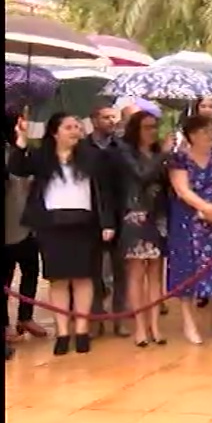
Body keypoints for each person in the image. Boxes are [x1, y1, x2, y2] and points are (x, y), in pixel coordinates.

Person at [8, 112, 117, 356]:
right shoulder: (41, 157)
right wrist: (21, 142)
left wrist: (107, 223)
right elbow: (17, 168)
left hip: (85, 222)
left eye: (77, 127)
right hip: (52, 223)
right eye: (68, 127)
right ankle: (62, 331)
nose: (74, 131)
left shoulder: (93, 157)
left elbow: (105, 193)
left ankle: (81, 329)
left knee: (83, 277)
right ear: (55, 132)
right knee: (58, 279)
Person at [166, 114, 212, 345]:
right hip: (189, 221)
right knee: (189, 271)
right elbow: (182, 190)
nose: (209, 135)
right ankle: (189, 323)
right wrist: (205, 208)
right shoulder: (179, 160)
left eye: (210, 130)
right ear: (192, 135)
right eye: (203, 131)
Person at [117, 111, 171, 347]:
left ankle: (155, 326)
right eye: (147, 127)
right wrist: (164, 155)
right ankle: (140, 327)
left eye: (155, 127)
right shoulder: (125, 151)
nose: (152, 131)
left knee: (156, 274)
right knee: (136, 273)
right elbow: (142, 176)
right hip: (135, 214)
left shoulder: (159, 153)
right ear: (136, 129)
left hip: (158, 215)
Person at [84, 104, 129, 337]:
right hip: (90, 216)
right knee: (93, 270)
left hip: (120, 214)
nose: (111, 121)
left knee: (121, 270)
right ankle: (96, 315)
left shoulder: (121, 148)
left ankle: (119, 317)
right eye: (106, 117)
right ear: (94, 120)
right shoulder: (82, 148)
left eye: (114, 117)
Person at [4, 108, 46, 341]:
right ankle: (5, 324)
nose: (25, 124)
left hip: (28, 222)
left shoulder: (27, 150)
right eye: (20, 121)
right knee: (6, 277)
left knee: (31, 271)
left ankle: (25, 317)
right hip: (8, 223)